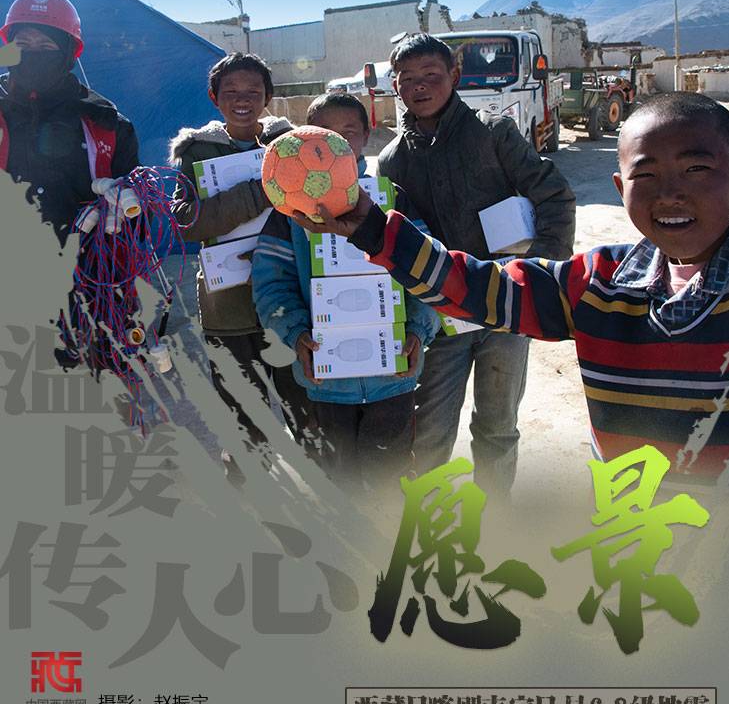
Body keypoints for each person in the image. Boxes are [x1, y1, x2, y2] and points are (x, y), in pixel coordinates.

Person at [296, 92, 729, 494]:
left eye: (696, 169)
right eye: (645, 174)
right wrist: (374, 230)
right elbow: (477, 286)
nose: (670, 193)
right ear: (620, 188)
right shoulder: (598, 284)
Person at [376, 33, 575, 493]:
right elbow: (394, 245)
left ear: (455, 75)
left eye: (431, 75)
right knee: (429, 431)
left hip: (505, 313)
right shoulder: (392, 162)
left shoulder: (494, 133)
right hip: (439, 318)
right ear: (395, 86)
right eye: (407, 78)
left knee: (497, 428)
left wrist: (537, 278)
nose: (419, 86)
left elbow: (554, 196)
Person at [252, 91, 440, 500]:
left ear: (366, 136)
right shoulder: (289, 211)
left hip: (392, 376)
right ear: (304, 138)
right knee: (338, 479)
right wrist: (296, 334)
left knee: (390, 475)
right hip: (325, 381)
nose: (333, 145)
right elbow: (271, 284)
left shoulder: (391, 198)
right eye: (323, 133)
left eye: (348, 133)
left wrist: (417, 330)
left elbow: (427, 269)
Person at [169, 52, 317, 467]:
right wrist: (258, 192)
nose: (242, 99)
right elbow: (186, 222)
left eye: (254, 91)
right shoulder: (196, 152)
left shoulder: (290, 144)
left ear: (268, 97)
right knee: (243, 419)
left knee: (307, 411)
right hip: (228, 308)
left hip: (288, 302)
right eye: (231, 91)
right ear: (214, 97)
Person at [0, 0, 139, 244]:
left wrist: (130, 207)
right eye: (22, 44)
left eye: (45, 45)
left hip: (86, 267)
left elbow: (140, 225)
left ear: (68, 52)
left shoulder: (107, 124)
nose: (32, 54)